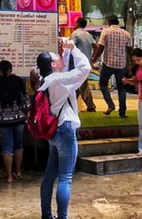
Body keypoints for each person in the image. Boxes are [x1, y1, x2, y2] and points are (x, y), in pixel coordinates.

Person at [33, 39, 91, 219]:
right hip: (65, 129)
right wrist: (74, 49)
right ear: (52, 64)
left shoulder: (47, 79)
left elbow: (64, 71)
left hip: (53, 132)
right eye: (57, 57)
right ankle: (63, 217)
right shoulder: (58, 79)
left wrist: (66, 52)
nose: (60, 57)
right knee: (65, 178)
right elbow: (84, 69)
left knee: (50, 176)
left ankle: (46, 215)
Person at [0, 60, 30, 183]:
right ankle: (18, 171)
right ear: (10, 70)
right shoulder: (18, 80)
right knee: (18, 145)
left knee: (7, 146)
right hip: (18, 118)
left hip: (2, 120)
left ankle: (9, 176)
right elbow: (25, 99)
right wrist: (27, 111)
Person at [91, 16, 131, 117]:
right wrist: (131, 64)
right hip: (122, 64)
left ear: (109, 22)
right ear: (118, 23)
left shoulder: (106, 31)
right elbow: (130, 50)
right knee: (122, 88)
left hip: (108, 64)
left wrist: (93, 60)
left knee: (103, 84)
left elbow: (100, 47)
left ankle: (110, 105)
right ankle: (122, 112)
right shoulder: (126, 34)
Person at [70, 17, 97, 112]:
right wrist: (92, 58)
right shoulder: (88, 35)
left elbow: (71, 47)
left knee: (79, 84)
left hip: (77, 63)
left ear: (77, 23)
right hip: (86, 62)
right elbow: (96, 46)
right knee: (79, 84)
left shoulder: (75, 34)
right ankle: (73, 105)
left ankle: (90, 106)